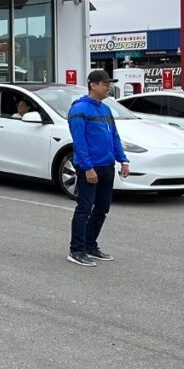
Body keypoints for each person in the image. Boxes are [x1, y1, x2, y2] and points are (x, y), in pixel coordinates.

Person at [66, 69, 129, 267]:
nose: (108, 87)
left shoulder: (105, 109)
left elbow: (114, 137)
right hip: (90, 167)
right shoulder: (79, 109)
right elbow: (79, 142)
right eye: (105, 84)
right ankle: (76, 250)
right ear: (93, 85)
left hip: (107, 165)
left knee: (102, 208)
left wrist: (123, 160)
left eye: (109, 84)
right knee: (84, 208)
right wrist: (87, 168)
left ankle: (90, 245)